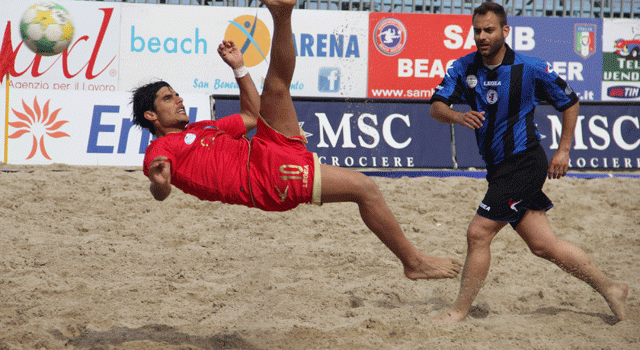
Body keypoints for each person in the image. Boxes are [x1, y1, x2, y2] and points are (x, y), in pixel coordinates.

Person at [131, 0, 462, 281]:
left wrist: (240, 68)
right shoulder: (160, 148)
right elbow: (161, 189)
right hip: (266, 178)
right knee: (365, 188)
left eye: (175, 94)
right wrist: (159, 184)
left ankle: (283, 13)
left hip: (265, 149)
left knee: (275, 86)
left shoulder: (201, 128)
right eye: (167, 98)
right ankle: (413, 262)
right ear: (152, 116)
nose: (178, 100)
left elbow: (249, 116)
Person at [429, 2, 628, 323]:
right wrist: (457, 114)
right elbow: (436, 107)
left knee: (478, 233)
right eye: (477, 30)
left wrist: (563, 150)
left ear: (504, 31)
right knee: (543, 245)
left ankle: (458, 312)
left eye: (489, 30)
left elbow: (570, 101)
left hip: (524, 162)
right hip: (499, 168)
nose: (481, 36)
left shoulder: (530, 67)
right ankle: (610, 288)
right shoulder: (463, 67)